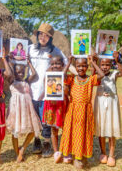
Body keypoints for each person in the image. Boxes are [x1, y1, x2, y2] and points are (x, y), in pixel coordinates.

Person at [28, 23, 75, 158]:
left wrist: (77, 74)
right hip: (32, 90)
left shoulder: (55, 51)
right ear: (37, 35)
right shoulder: (30, 49)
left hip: (49, 92)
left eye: (46, 36)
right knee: (35, 118)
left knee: (47, 120)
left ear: (50, 38)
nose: (43, 37)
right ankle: (37, 140)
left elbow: (66, 63)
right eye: (41, 34)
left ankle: (47, 142)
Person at [59, 56, 104, 169]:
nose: (81, 68)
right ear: (75, 67)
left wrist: (93, 62)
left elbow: (102, 75)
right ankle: (76, 157)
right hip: (73, 111)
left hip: (85, 111)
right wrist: (69, 62)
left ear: (87, 67)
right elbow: (62, 76)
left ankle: (82, 156)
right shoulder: (72, 79)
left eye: (84, 66)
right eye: (78, 66)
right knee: (74, 133)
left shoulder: (90, 79)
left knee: (84, 133)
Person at [6, 60, 42, 163]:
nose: (20, 74)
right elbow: (9, 73)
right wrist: (9, 62)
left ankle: (22, 148)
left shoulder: (27, 81)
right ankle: (17, 153)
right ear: (14, 72)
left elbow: (35, 74)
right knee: (15, 132)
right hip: (16, 109)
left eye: (22, 72)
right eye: (18, 72)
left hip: (27, 109)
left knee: (33, 130)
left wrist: (29, 62)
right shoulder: (12, 81)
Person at [94, 51, 122, 167]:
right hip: (100, 103)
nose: (104, 67)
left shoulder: (114, 74)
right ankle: (103, 153)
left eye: (107, 65)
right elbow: (93, 71)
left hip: (111, 103)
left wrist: (117, 61)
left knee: (111, 129)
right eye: (102, 65)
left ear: (111, 65)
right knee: (101, 129)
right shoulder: (97, 75)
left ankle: (111, 155)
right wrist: (94, 60)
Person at [42, 56, 68, 163]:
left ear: (62, 64)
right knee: (53, 129)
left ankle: (66, 150)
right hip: (51, 105)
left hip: (63, 104)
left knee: (66, 128)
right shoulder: (48, 75)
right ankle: (56, 151)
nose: (54, 66)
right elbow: (46, 86)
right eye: (52, 64)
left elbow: (69, 90)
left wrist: (65, 90)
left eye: (57, 63)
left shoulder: (66, 76)